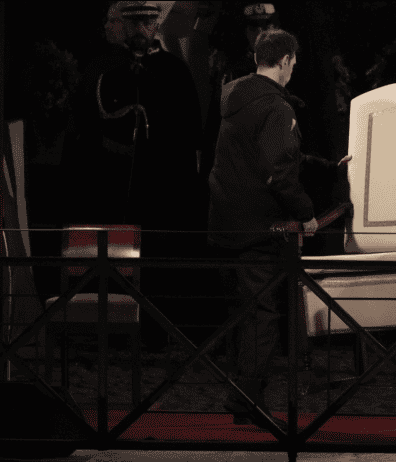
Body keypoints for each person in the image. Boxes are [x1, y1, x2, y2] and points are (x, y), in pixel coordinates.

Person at [208, 29, 352, 431]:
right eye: (293, 63)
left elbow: (271, 156)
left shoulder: (236, 97)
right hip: (259, 228)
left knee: (243, 314)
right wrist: (306, 213)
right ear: (287, 60)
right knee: (261, 318)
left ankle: (241, 397)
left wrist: (326, 167)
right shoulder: (275, 106)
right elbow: (278, 172)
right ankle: (245, 401)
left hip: (226, 224)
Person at [61, 1, 204, 352]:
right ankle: (109, 335)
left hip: (161, 190)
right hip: (110, 187)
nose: (140, 29)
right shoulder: (102, 67)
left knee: (158, 263)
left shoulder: (174, 70)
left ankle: (157, 334)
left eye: (147, 22)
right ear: (123, 25)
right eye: (133, 22)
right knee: (111, 260)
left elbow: (189, 133)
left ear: (156, 25)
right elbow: (83, 123)